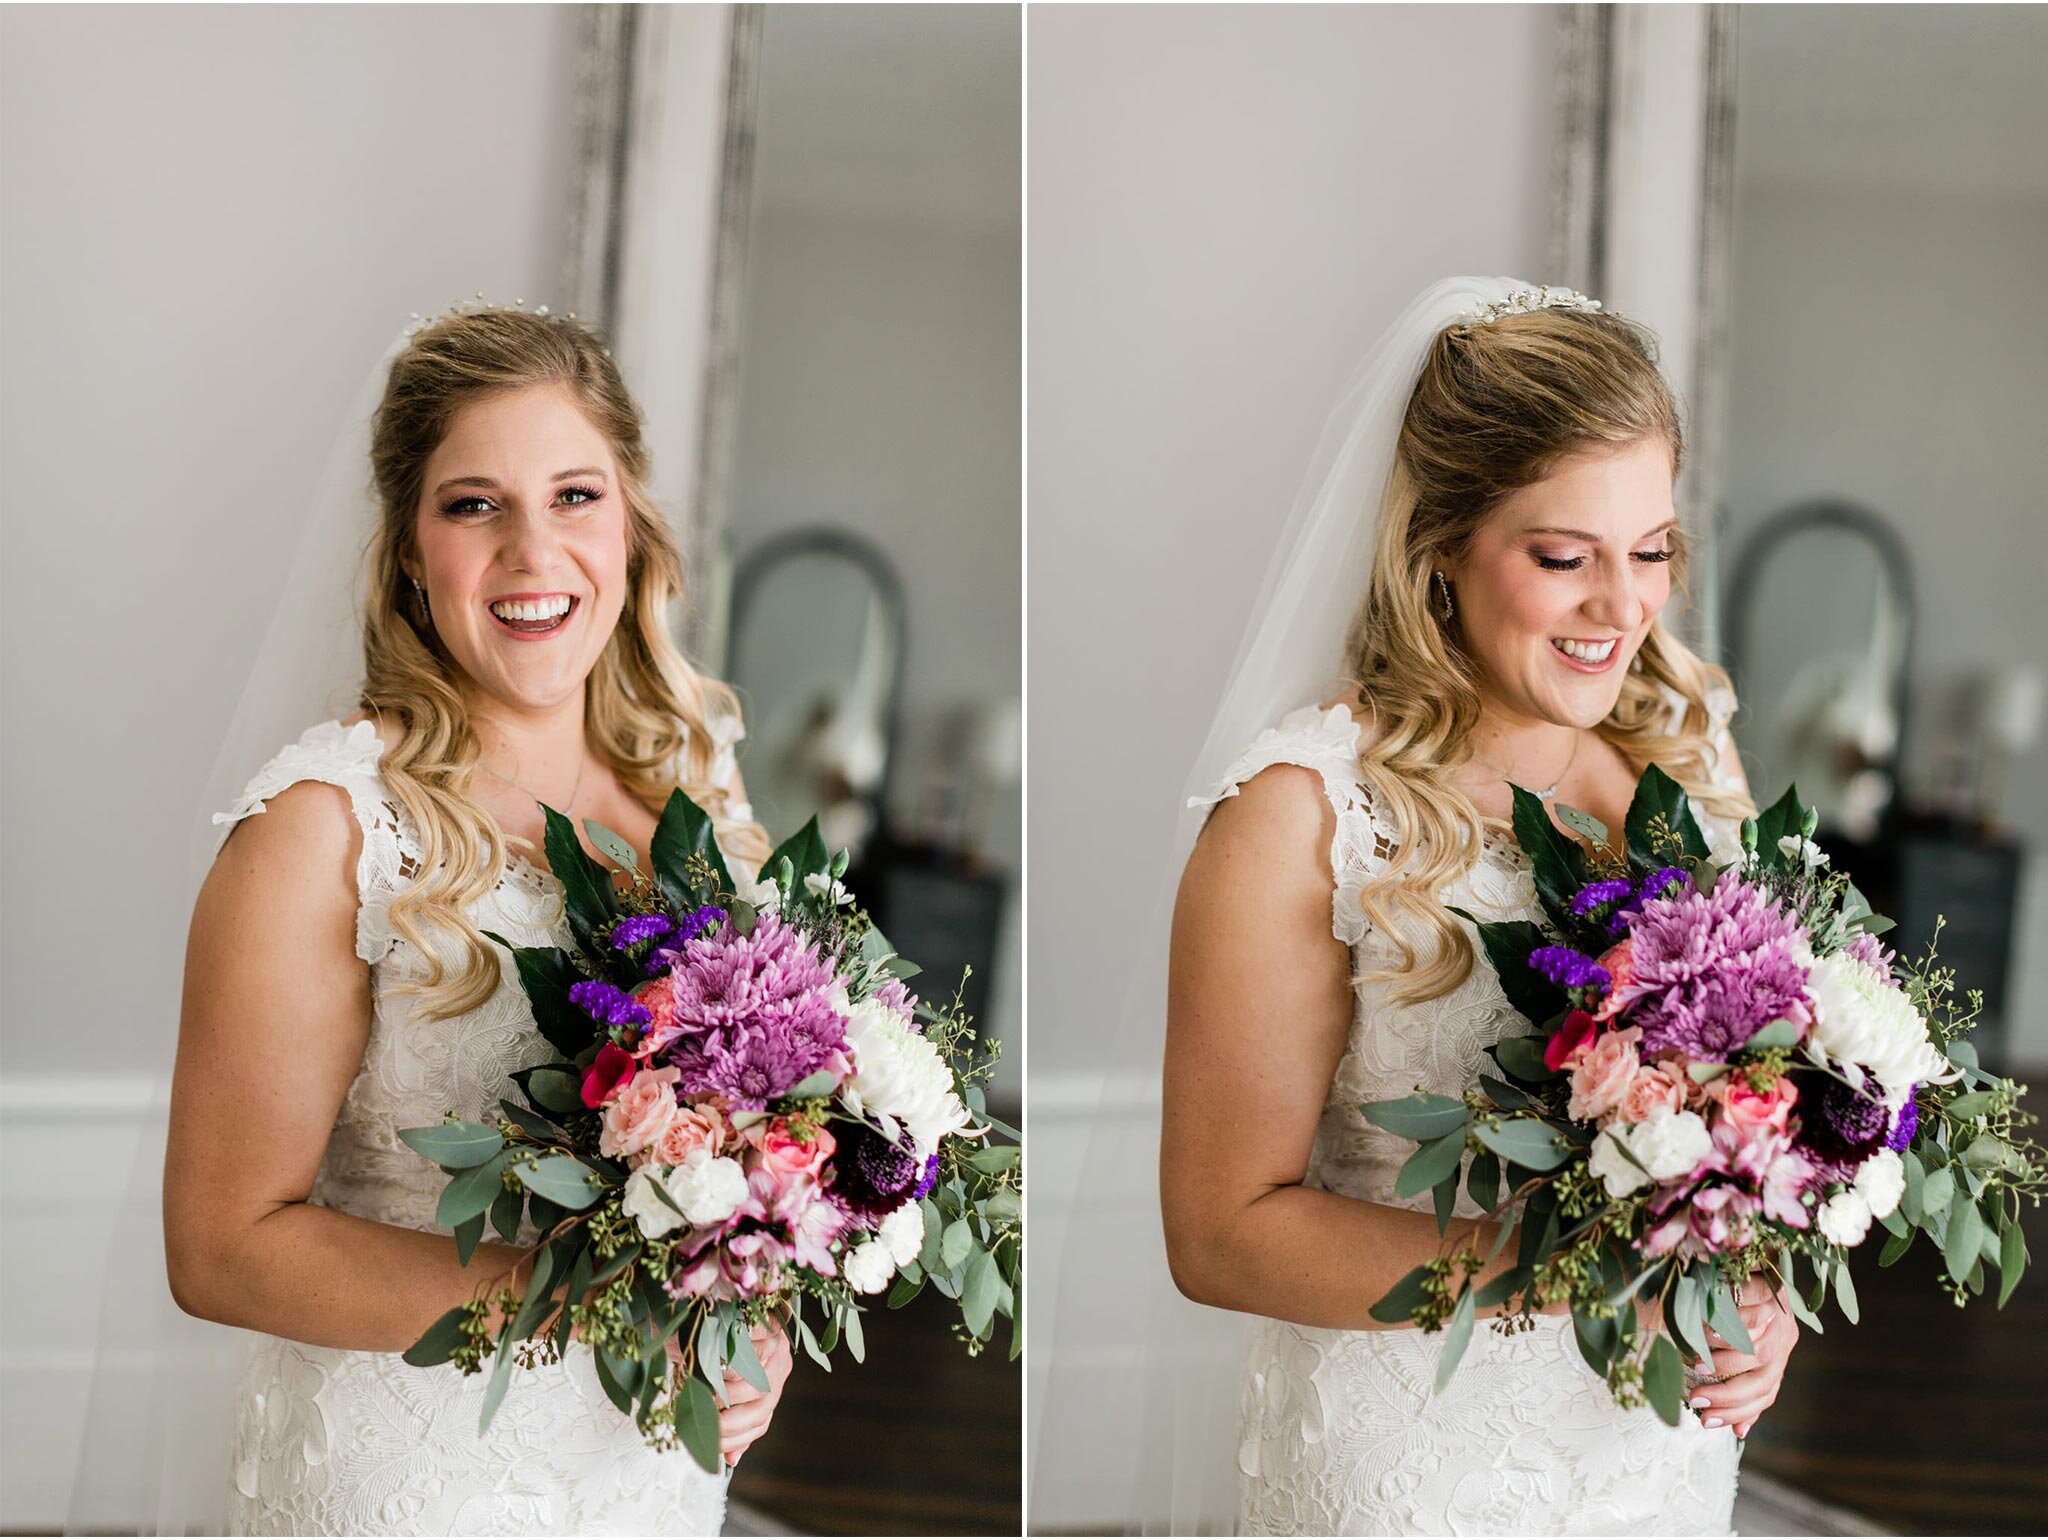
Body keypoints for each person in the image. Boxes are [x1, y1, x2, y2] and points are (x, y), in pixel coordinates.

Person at [1157, 280, 1800, 1534]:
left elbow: (1750, 1113)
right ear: (1439, 546)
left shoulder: (1692, 762)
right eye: (1563, 558)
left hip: (1648, 1453)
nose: (1621, 608)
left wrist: (1755, 1291)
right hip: (1414, 1463)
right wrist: (1580, 1271)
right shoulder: (1303, 817)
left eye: (1652, 549)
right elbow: (1220, 1232)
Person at [161, 303, 792, 1535]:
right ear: (408, 547)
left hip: (650, 1466)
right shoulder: (324, 828)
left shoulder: (696, 783)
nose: (532, 551)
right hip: (419, 1473)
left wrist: (746, 1307)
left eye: (573, 495)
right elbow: (223, 1246)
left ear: (630, 521)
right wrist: (602, 1305)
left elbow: (750, 1136)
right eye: (473, 505)